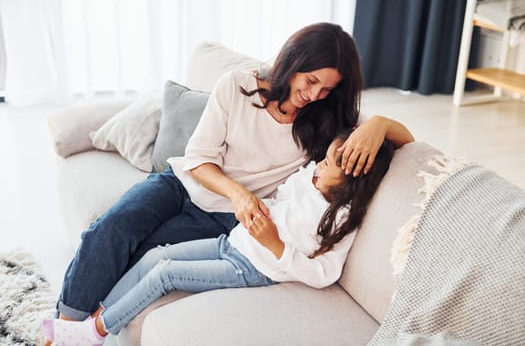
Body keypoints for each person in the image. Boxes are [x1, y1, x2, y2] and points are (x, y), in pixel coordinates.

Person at [55, 22, 414, 322]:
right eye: (311, 81)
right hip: (183, 183)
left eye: (327, 88)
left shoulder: (328, 120)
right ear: (294, 61)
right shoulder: (237, 86)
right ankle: (63, 329)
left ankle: (93, 327)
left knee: (146, 252)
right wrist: (238, 192)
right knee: (110, 228)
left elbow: (404, 142)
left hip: (225, 218)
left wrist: (379, 123)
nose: (315, 94)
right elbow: (198, 158)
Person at [43, 133, 395, 345]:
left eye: (329, 164)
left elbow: (324, 273)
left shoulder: (343, 217)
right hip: (234, 242)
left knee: (165, 272)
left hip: (253, 268)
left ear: (353, 177)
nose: (317, 165)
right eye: (322, 158)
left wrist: (276, 245)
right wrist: (259, 209)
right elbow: (282, 201)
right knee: (154, 256)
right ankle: (98, 317)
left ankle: (95, 333)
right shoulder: (309, 177)